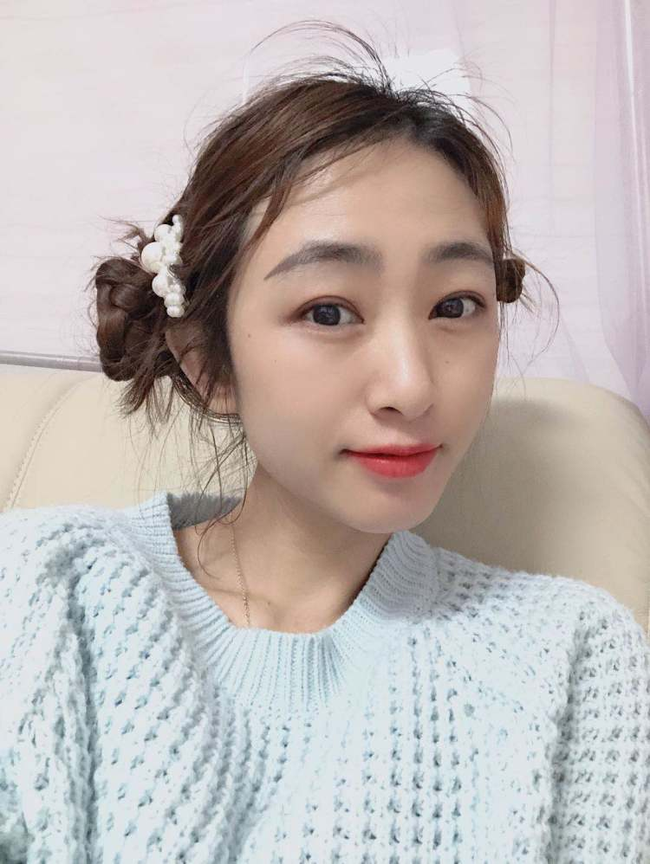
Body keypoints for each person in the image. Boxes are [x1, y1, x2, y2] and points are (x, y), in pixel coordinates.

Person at [1, 20, 648, 864]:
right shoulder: (42, 589)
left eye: (455, 305)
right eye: (329, 311)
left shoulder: (574, 658)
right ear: (209, 364)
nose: (411, 386)